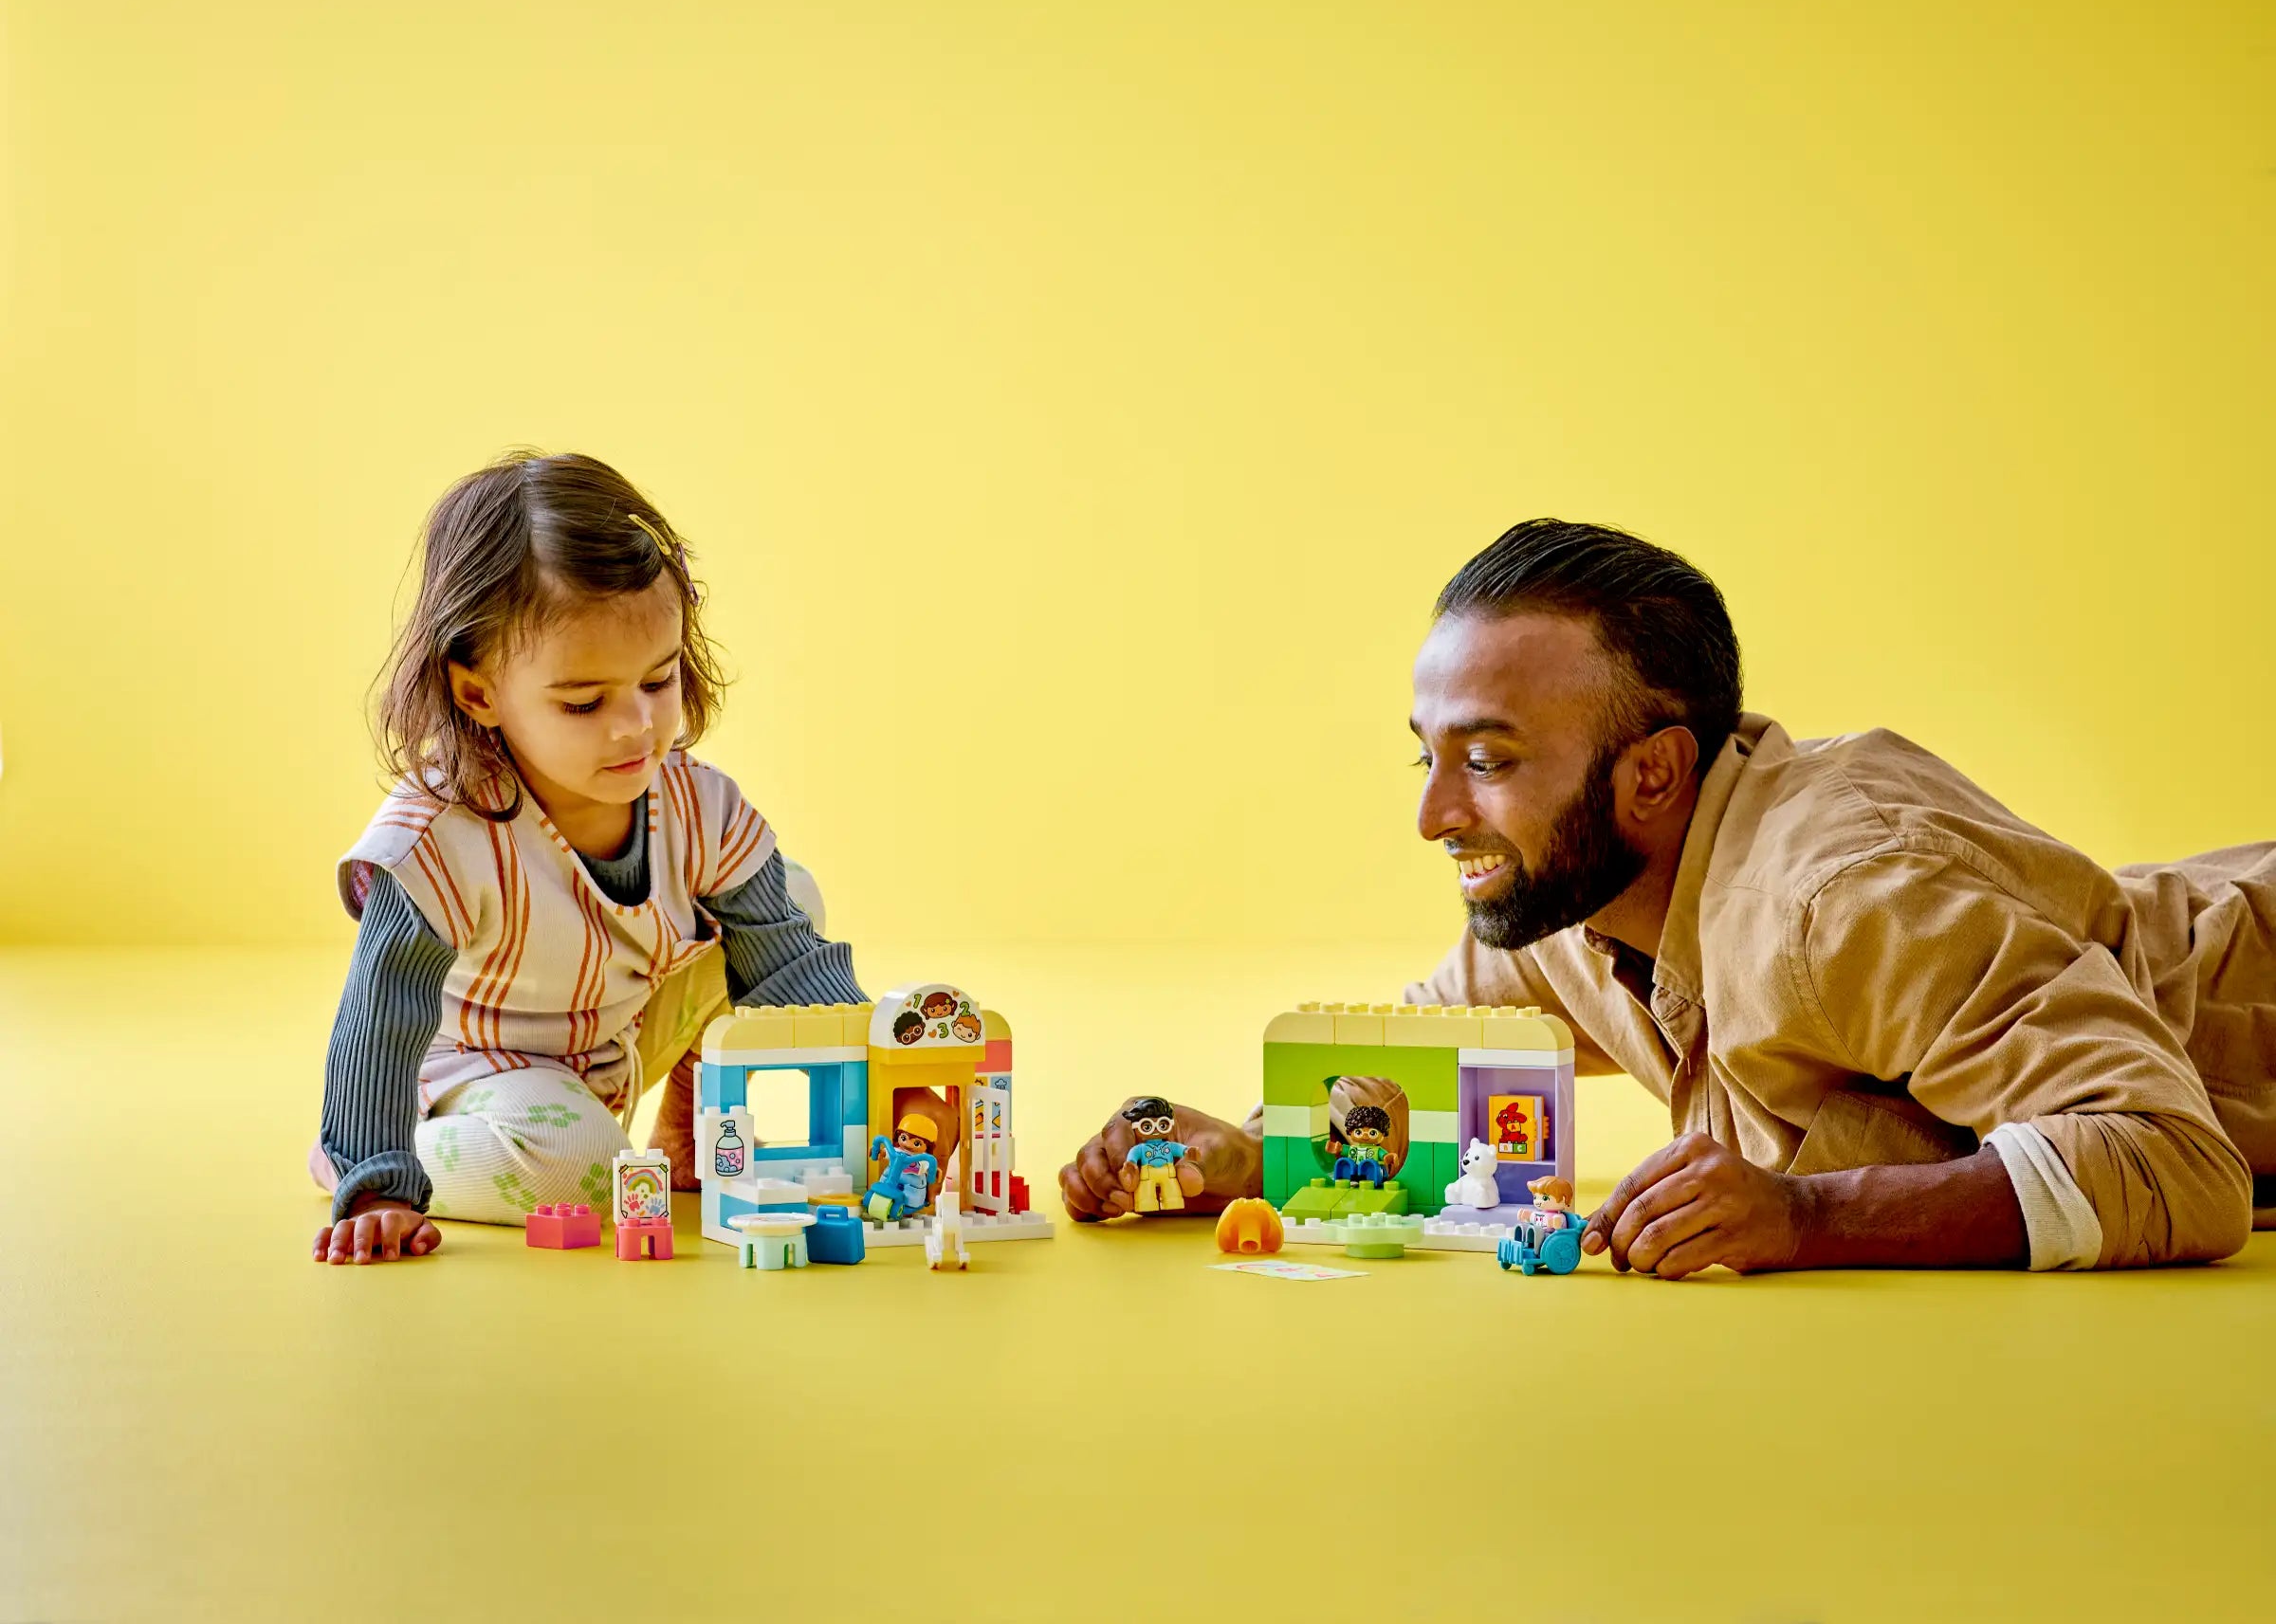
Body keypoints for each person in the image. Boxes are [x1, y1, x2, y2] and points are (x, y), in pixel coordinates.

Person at [1061, 520, 2273, 1272]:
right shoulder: (1571, 910)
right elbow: (1415, 1071)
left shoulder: (1834, 906)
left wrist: (1808, 1220)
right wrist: (1248, 1153)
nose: (1433, 816)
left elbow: (2176, 1163)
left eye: (1487, 763)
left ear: (1653, 773)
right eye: (1426, 756)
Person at [308, 452, 945, 1265]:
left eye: (658, 679)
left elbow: (791, 967)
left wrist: (895, 1084)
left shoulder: (697, 805)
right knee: (589, 1171)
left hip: (618, 1047)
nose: (636, 727)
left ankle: (686, 1128)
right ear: (478, 694)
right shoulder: (437, 839)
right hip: (481, 1070)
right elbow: (381, 1019)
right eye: (584, 703)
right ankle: (376, 1154)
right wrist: (378, 1177)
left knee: (794, 897)